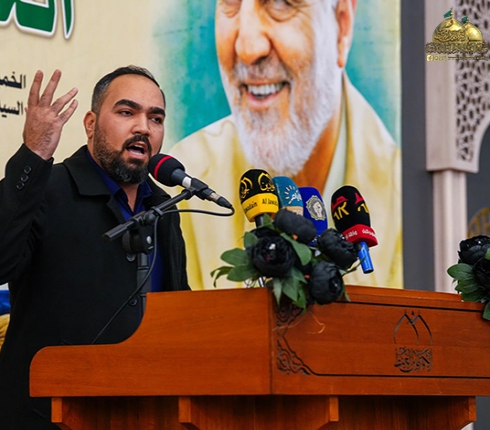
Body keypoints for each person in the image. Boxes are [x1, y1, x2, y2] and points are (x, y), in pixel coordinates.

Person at [0, 66, 189, 430]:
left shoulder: (164, 209)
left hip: (144, 414)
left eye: (156, 118)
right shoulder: (47, 189)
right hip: (47, 417)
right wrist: (34, 154)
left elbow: (175, 310)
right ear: (90, 124)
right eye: (127, 112)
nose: (143, 128)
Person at [170, 0, 401, 290]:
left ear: (342, 26)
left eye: (281, 3)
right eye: (230, 3)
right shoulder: (184, 182)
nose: (248, 48)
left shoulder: (406, 197)